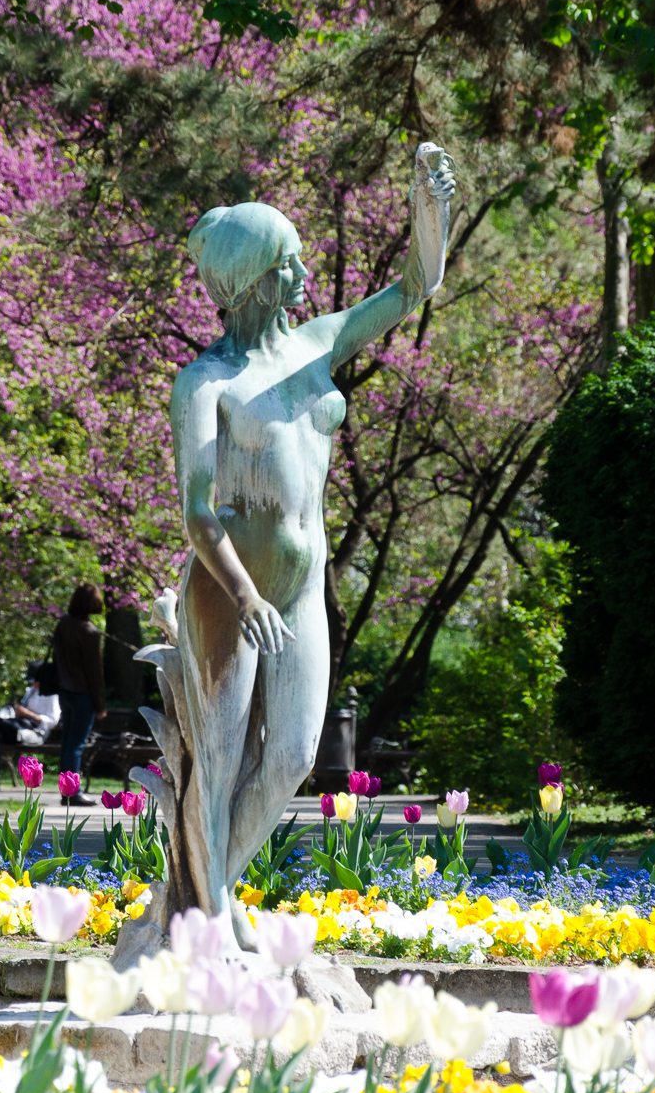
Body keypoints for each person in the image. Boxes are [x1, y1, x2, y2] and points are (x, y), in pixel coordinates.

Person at [162, 144, 453, 947]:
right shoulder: (206, 382)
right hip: (231, 592)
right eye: (288, 265)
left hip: (299, 587)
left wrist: (429, 212)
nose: (302, 279)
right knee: (217, 765)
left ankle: (213, 896)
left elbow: (413, 290)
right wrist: (244, 594)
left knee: (291, 754)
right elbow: (196, 512)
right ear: (253, 279)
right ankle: (207, 923)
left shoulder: (316, 344)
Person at [51, 582, 106, 804]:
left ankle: (66, 791)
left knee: (68, 742)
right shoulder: (88, 631)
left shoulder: (64, 623)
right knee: (76, 744)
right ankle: (73, 792)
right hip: (83, 694)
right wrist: (101, 704)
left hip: (64, 691)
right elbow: (95, 672)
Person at [0, 664, 64, 790]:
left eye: (35, 680)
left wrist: (28, 714)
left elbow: (52, 722)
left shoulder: (52, 696)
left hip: (36, 733)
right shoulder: (31, 692)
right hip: (20, 726)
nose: (33, 683)